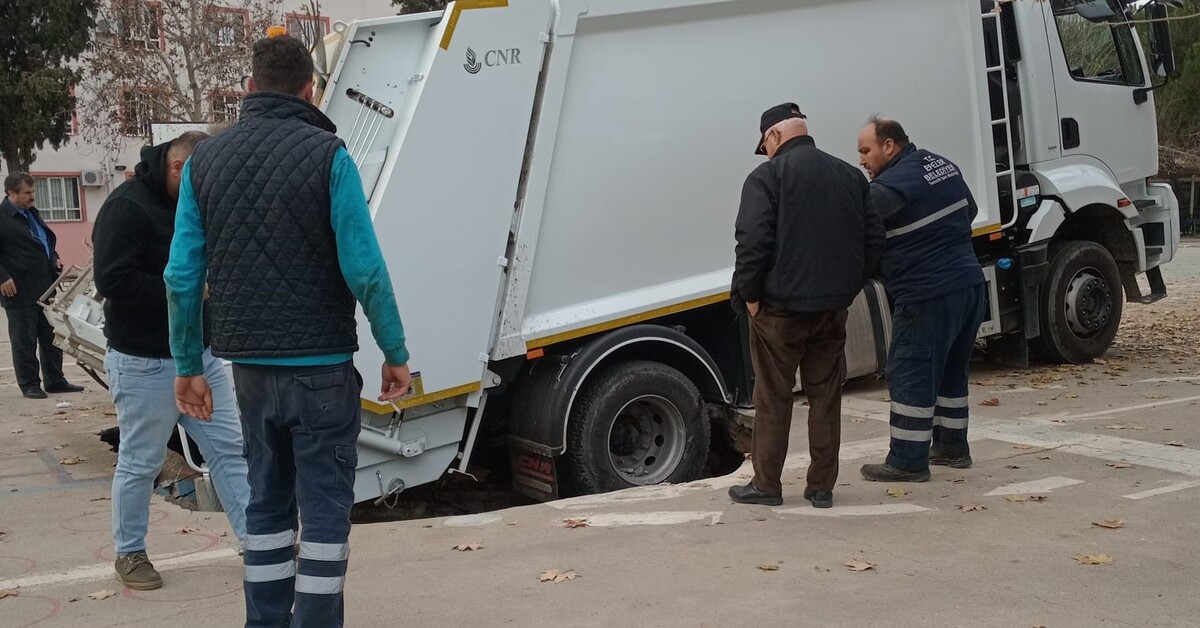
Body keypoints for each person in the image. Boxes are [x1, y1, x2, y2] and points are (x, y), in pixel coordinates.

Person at [165, 35, 411, 628]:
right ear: (310, 90)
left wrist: (187, 366)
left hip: (247, 371)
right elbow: (365, 269)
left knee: (266, 505)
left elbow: (180, 276)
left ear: (250, 88)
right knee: (324, 515)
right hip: (323, 370)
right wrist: (395, 351)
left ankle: (265, 621)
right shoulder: (330, 156)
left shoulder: (203, 163)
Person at [93, 133, 250, 591]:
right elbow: (113, 280)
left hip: (199, 358)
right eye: (194, 175)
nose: (202, 186)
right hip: (144, 362)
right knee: (141, 461)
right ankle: (130, 554)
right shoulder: (127, 208)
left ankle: (255, 542)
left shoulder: (197, 203)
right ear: (174, 166)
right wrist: (183, 291)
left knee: (230, 450)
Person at [728, 103, 883, 509]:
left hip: (778, 312)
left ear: (775, 136)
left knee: (773, 397)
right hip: (831, 309)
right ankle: (820, 487)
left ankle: (766, 486)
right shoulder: (849, 176)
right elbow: (874, 242)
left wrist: (752, 297)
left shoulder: (766, 178)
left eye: (766, 144)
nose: (767, 152)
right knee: (826, 397)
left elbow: (752, 243)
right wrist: (848, 289)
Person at [856, 117, 986, 482]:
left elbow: (859, 230)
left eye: (866, 151)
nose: (862, 161)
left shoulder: (889, 186)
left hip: (926, 293)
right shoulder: (942, 165)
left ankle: (908, 460)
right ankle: (952, 447)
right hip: (970, 286)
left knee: (910, 371)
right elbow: (970, 212)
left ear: (889, 146)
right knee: (949, 372)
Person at [0, 172, 85, 399]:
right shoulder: (2, 218)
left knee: (50, 336)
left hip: (46, 285)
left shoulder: (31, 214)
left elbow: (42, 241)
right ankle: (29, 384)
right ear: (11, 193)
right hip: (18, 289)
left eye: (32, 192)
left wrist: (53, 257)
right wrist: (2, 277)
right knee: (23, 340)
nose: (32, 196)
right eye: (27, 193)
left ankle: (55, 380)